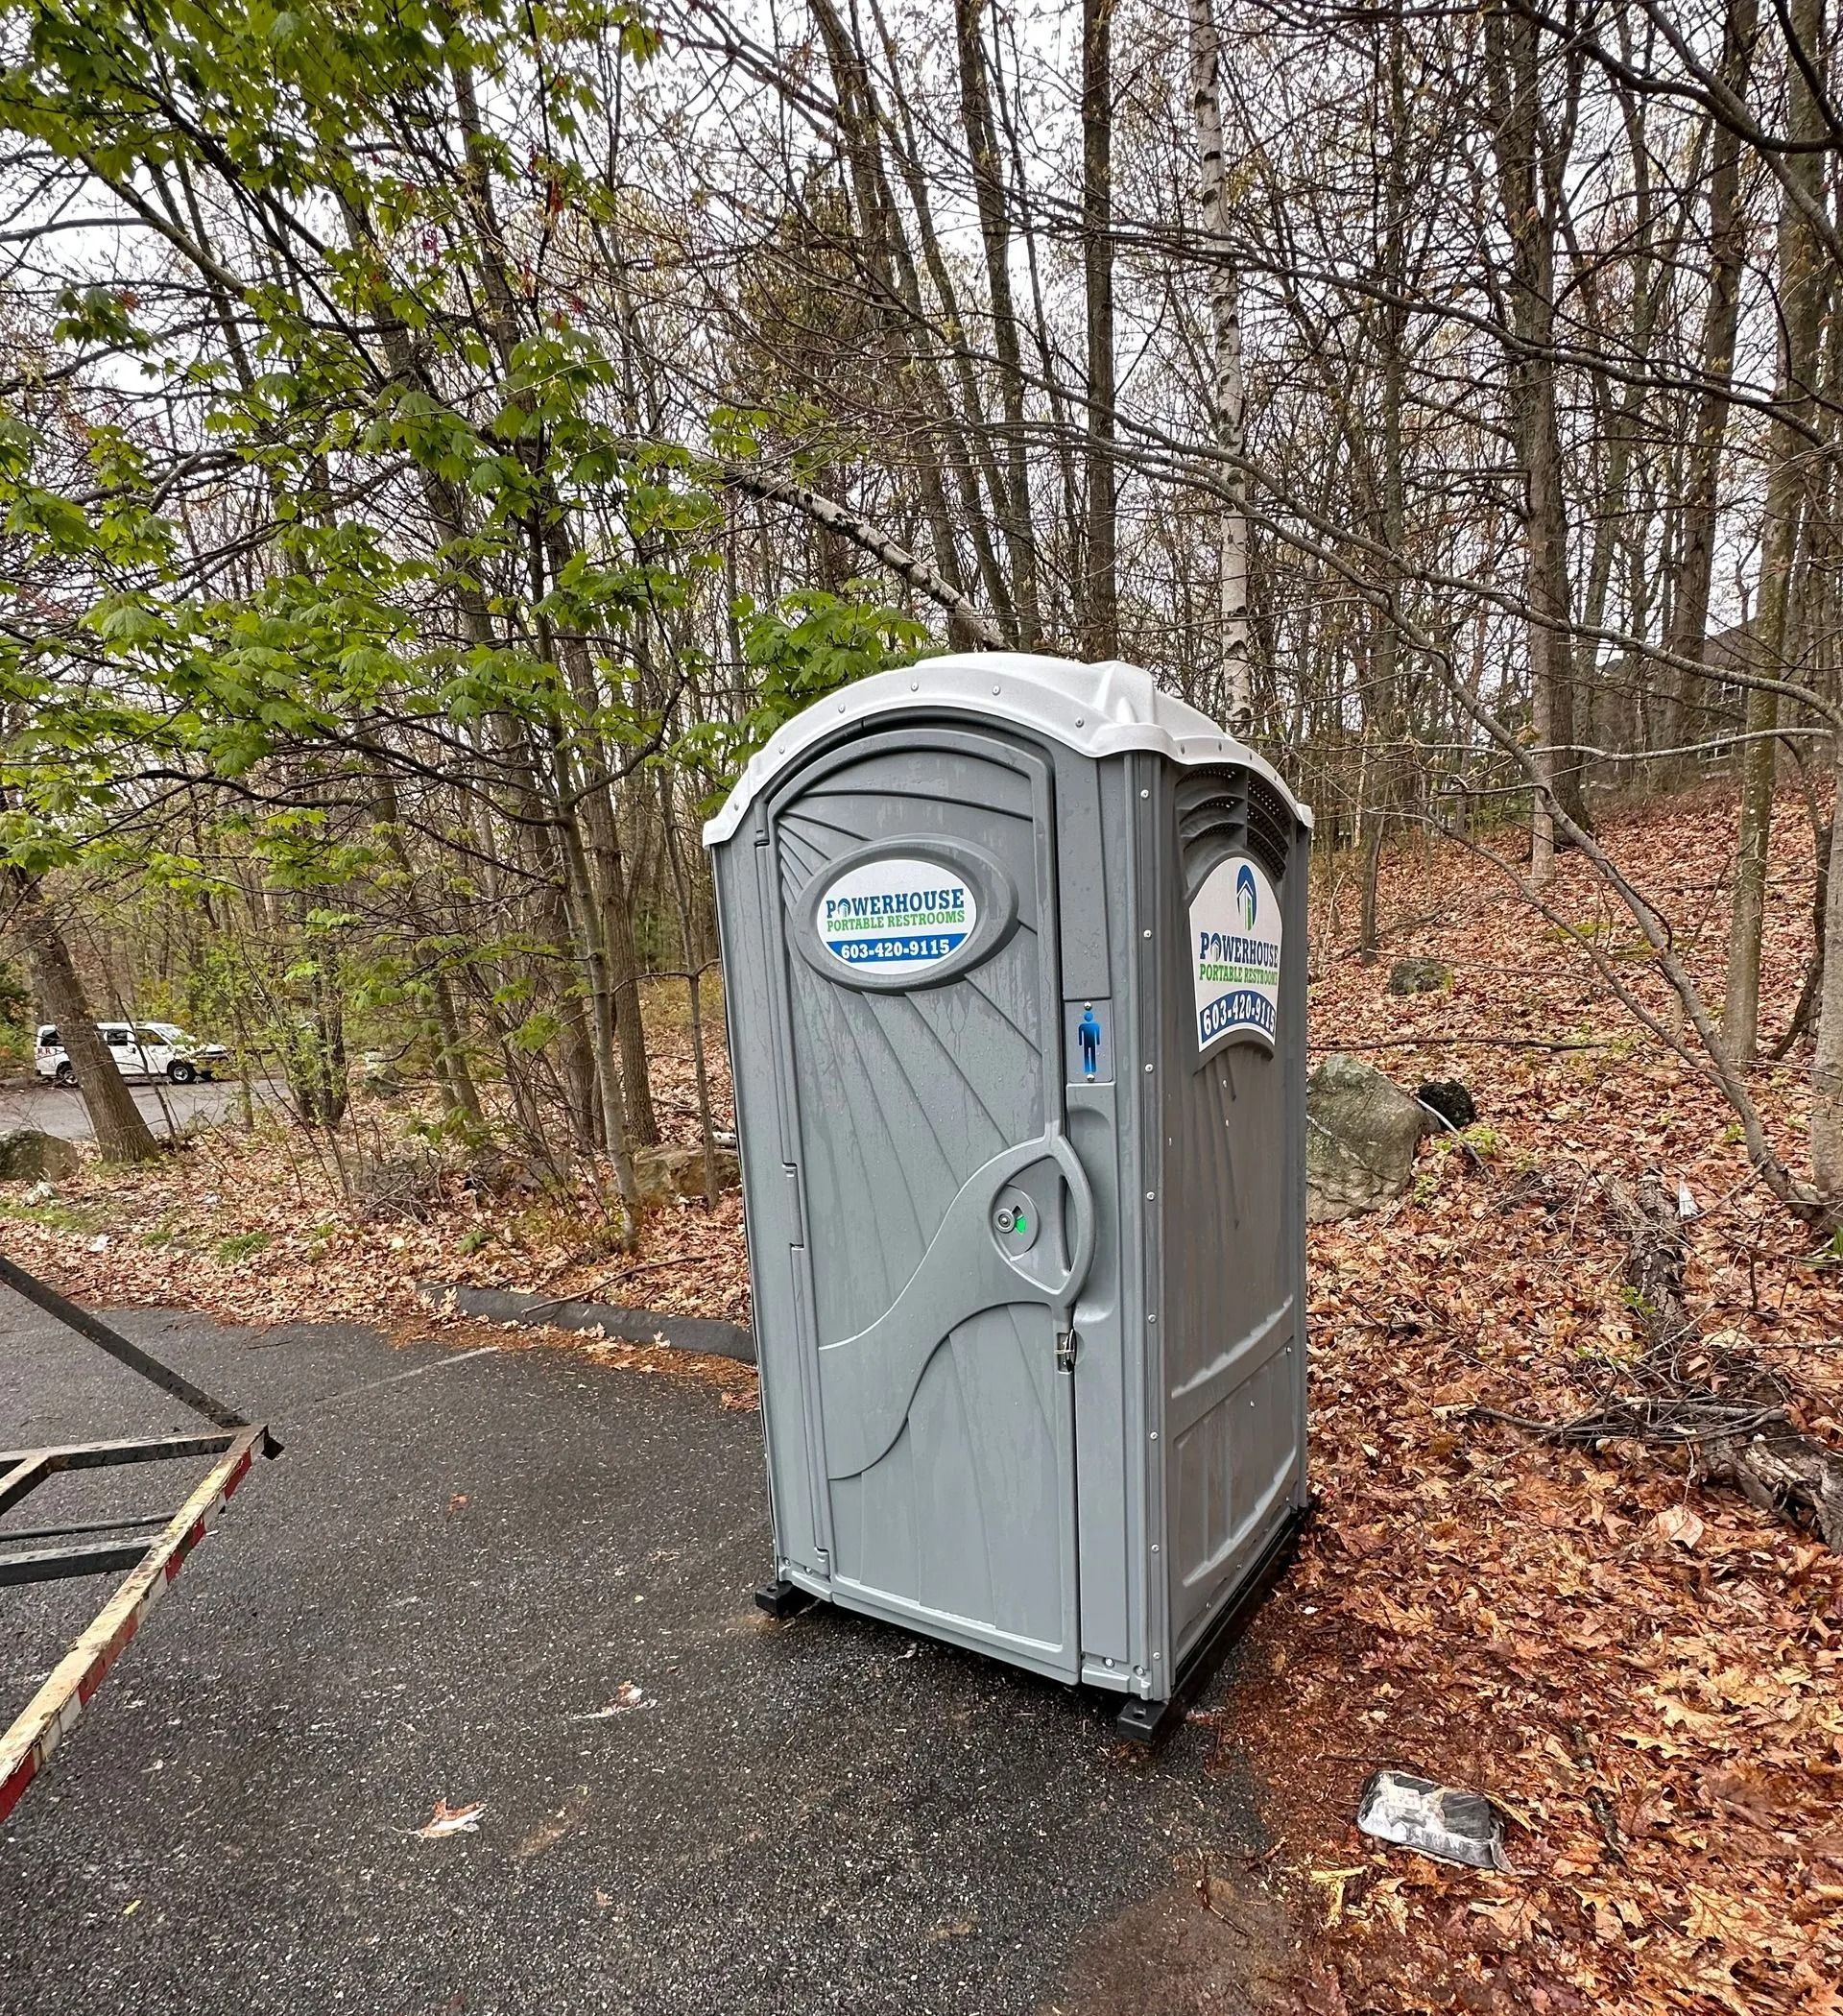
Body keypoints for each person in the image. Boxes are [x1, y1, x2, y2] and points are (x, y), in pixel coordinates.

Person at [1077, 1004, 1102, 1081]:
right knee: (1090, 1055)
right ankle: (1091, 1069)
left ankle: (1090, 1069)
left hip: (1088, 1042)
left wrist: (1081, 1042)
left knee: (1088, 1055)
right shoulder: (1092, 1025)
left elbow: (1097, 1034)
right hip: (1090, 1042)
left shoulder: (1084, 1026)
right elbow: (1081, 1035)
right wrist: (1097, 1042)